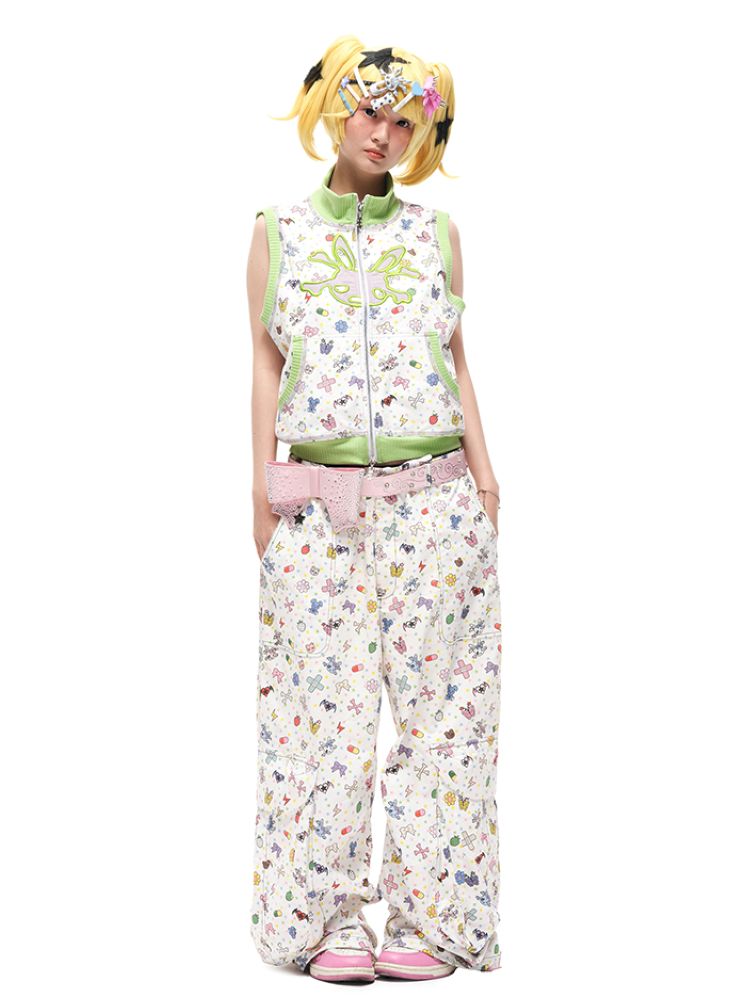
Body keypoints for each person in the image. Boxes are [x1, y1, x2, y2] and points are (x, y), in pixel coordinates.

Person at [246, 36, 503, 983]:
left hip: (437, 504)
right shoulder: (278, 231)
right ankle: (324, 921)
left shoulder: (436, 234)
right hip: (317, 514)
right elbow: (265, 363)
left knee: (446, 721)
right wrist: (260, 493)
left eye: (403, 120)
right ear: (332, 112)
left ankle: (434, 918)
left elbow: (456, 359)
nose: (384, 133)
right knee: (321, 723)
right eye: (368, 112)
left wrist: (487, 484)